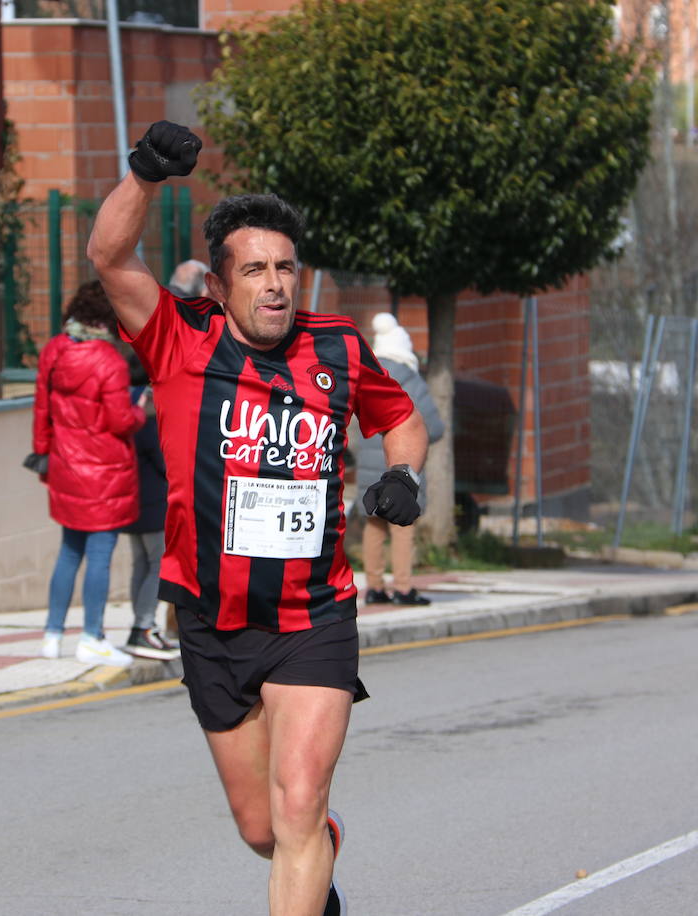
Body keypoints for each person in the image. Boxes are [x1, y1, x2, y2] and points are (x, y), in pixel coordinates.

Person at [87, 120, 427, 916]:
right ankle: (314, 870)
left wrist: (405, 474)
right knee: (262, 828)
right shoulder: (178, 341)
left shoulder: (337, 348)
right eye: (255, 271)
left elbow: (400, 417)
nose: (274, 285)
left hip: (314, 615)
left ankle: (308, 855)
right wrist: (141, 176)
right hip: (210, 615)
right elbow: (109, 257)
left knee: (299, 802)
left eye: (285, 269)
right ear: (219, 286)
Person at [31, 280, 146, 669]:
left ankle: (52, 634)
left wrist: (43, 454)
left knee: (68, 552)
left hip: (66, 467)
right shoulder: (109, 361)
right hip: (105, 473)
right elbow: (119, 420)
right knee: (100, 555)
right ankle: (92, 637)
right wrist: (140, 410)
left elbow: (41, 410)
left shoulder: (54, 351)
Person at [355, 311, 445, 606]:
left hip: (369, 469)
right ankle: (404, 588)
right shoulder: (409, 378)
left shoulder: (368, 373)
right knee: (402, 526)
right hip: (402, 468)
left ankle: (374, 587)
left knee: (374, 525)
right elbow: (432, 426)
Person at [120, 351, 180, 659]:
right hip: (155, 502)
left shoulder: (123, 406)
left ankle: (141, 624)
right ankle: (143, 627)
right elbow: (163, 460)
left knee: (140, 564)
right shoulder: (150, 412)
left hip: (132, 499)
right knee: (157, 565)